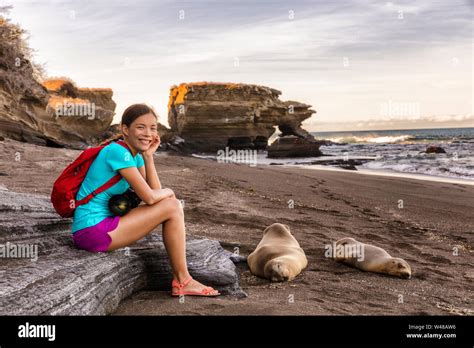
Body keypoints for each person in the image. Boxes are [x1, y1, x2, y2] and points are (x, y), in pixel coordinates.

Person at [71, 103, 219, 297]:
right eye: (141, 127)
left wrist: (149, 157)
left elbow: (155, 195)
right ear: (125, 129)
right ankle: (183, 281)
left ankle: (182, 280)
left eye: (153, 128)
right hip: (92, 230)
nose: (148, 133)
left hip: (103, 225)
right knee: (173, 205)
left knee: (171, 205)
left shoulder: (135, 155)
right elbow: (150, 197)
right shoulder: (118, 152)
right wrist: (170, 191)